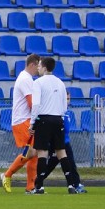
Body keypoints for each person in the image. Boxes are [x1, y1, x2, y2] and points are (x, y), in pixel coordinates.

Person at [28, 57, 82, 194]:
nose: (38, 68)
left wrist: (32, 123)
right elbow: (64, 106)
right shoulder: (60, 83)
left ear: (45, 67)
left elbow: (36, 105)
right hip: (59, 119)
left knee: (42, 153)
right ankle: (71, 185)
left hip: (44, 119)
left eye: (40, 65)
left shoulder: (38, 83)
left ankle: (39, 186)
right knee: (61, 152)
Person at [1, 53, 40, 194]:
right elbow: (31, 103)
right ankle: (7, 174)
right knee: (31, 152)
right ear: (32, 64)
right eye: (38, 66)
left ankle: (30, 187)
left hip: (26, 119)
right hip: (23, 120)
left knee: (34, 153)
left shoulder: (27, 78)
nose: (39, 69)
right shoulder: (25, 79)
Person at [41, 91, 87, 194]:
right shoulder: (56, 112)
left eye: (68, 99)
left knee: (71, 164)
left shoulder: (67, 113)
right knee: (50, 166)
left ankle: (76, 184)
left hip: (65, 142)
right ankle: (37, 181)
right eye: (65, 99)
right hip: (56, 143)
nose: (67, 101)